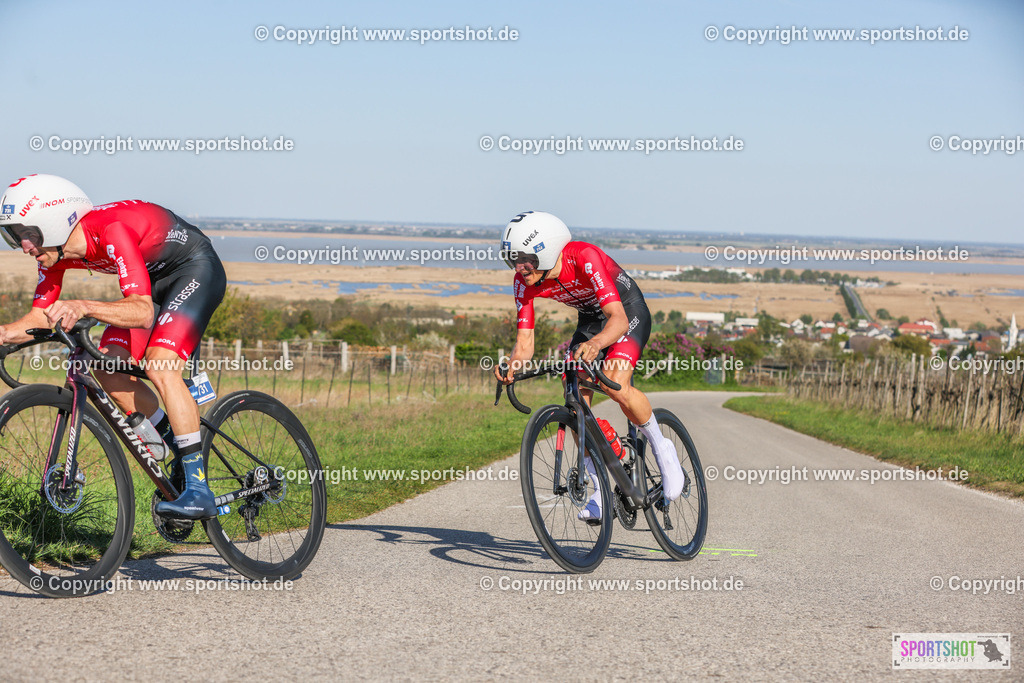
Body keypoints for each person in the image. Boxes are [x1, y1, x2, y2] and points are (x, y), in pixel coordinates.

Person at [0, 174, 226, 519]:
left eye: (28, 234)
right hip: (150, 283)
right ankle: (177, 446)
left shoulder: (111, 230)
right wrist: (3, 335)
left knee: (160, 364)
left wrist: (84, 306)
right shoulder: (54, 254)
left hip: (193, 270)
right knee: (107, 368)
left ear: (54, 222)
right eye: (17, 237)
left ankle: (198, 489)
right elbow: (39, 316)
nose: (25, 246)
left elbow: (142, 311)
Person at [494, 211, 686, 522]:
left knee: (615, 382)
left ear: (548, 249)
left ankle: (663, 451)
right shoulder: (523, 283)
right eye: (512, 260)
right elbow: (525, 344)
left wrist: (596, 345)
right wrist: (512, 365)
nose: (519, 268)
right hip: (591, 320)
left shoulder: (583, 257)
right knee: (574, 397)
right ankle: (597, 489)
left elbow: (618, 320)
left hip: (625, 311)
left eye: (525, 259)